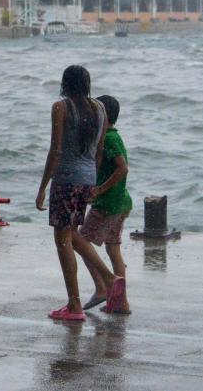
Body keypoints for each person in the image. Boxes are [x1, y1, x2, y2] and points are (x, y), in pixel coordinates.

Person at [35, 65, 125, 321]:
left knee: (62, 240)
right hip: (87, 178)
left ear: (65, 84)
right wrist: (92, 181)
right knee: (71, 234)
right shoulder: (99, 108)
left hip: (66, 180)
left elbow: (56, 150)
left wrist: (43, 186)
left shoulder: (61, 108)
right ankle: (108, 279)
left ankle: (74, 305)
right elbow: (97, 151)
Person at [79, 95, 133, 314]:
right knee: (113, 250)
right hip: (120, 202)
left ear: (102, 116)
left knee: (80, 241)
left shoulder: (109, 138)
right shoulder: (112, 136)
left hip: (108, 203)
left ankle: (102, 288)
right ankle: (121, 302)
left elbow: (123, 168)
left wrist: (100, 190)